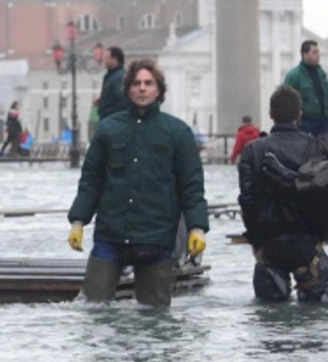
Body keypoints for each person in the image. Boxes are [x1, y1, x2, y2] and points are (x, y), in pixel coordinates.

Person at [67, 60, 208, 307]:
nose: (142, 88)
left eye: (148, 83)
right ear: (128, 89)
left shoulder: (177, 132)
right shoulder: (108, 130)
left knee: (155, 317)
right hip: (110, 235)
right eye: (136, 83)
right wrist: (78, 221)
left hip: (156, 236)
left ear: (158, 90)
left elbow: (192, 186)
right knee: (92, 308)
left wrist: (197, 227)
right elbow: (91, 181)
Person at [237, 86, 327, 302]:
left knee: (270, 322)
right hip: (309, 243)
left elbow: (247, 201)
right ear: (299, 115)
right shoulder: (317, 147)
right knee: (314, 318)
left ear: (271, 115)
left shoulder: (252, 151)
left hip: (269, 243)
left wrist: (256, 241)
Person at [283, 40, 327, 136]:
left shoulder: (321, 73)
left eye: (318, 52)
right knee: (308, 150)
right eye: (314, 52)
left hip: (324, 122)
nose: (318, 55)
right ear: (305, 54)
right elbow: (285, 99)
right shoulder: (294, 75)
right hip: (306, 123)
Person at [97, 46, 129, 120]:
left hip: (111, 120)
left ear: (114, 59)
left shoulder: (119, 78)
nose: (104, 60)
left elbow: (122, 101)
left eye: (106, 58)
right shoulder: (111, 76)